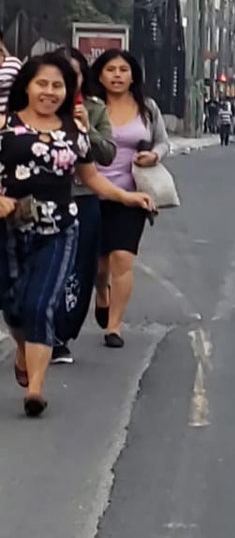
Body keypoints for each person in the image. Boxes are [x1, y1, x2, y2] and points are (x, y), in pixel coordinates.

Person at [2, 54, 154, 416]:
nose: (49, 92)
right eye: (42, 84)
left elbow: (91, 178)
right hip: (8, 230)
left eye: (57, 85)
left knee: (41, 304)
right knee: (13, 304)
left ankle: (35, 389)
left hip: (59, 228)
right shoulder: (6, 125)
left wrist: (127, 197)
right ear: (27, 87)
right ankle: (22, 348)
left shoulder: (75, 131)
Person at [91, 49, 170, 349]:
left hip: (132, 196)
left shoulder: (147, 108)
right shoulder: (91, 107)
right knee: (99, 265)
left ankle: (115, 326)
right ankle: (102, 292)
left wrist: (155, 155)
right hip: (92, 192)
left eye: (123, 70)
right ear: (100, 75)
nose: (117, 75)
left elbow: (163, 142)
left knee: (122, 259)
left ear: (133, 75)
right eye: (110, 70)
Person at [50, 47, 118, 366]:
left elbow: (107, 155)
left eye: (72, 74)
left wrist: (86, 126)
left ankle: (61, 335)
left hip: (83, 197)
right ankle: (37, 329)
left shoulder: (94, 108)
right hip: (42, 198)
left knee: (79, 267)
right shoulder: (33, 107)